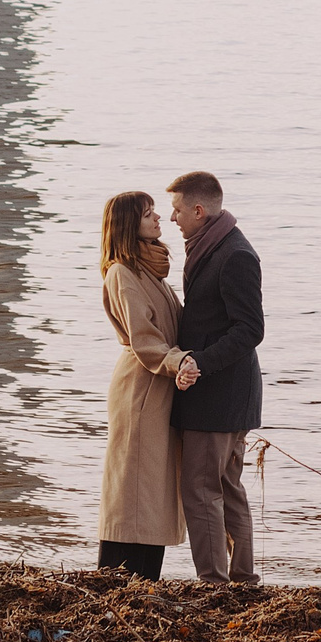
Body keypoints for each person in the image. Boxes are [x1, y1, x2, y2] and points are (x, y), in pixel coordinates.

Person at [166, 170, 264, 583]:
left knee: (202, 491)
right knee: (226, 487)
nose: (172, 219)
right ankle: (241, 580)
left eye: (177, 210)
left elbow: (250, 329)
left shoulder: (234, 254)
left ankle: (214, 583)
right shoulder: (209, 244)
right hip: (225, 395)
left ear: (199, 210)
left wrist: (198, 362)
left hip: (220, 396)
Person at [97, 191, 187, 578]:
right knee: (131, 490)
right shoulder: (122, 272)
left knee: (151, 493)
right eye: (148, 214)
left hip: (161, 386)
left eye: (154, 212)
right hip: (141, 388)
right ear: (127, 224)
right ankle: (113, 580)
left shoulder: (152, 272)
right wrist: (179, 361)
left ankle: (147, 579)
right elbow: (144, 339)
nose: (158, 219)